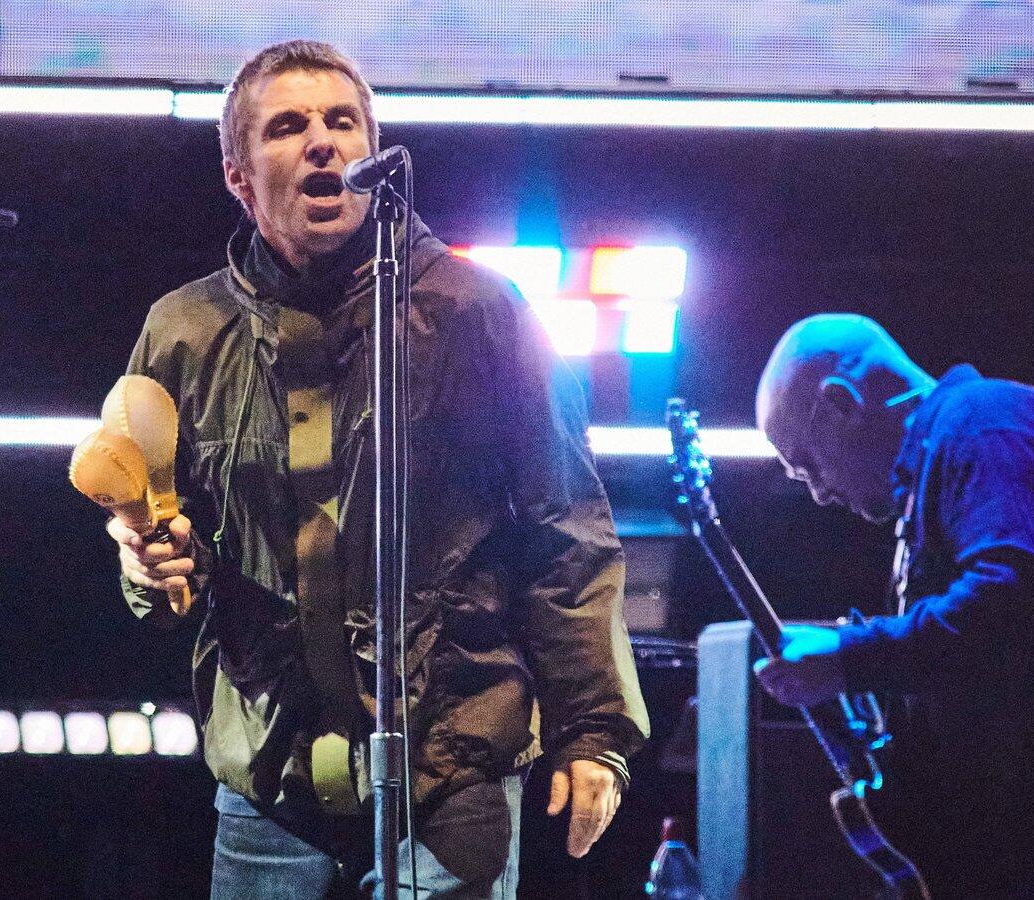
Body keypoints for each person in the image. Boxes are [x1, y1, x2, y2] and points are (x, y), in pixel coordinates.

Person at [104, 39, 648, 898]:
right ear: (239, 177)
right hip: (270, 789)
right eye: (287, 127)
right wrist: (154, 566)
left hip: (451, 774)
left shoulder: (476, 312)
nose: (322, 142)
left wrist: (594, 732)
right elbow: (164, 538)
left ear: (375, 151)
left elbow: (566, 525)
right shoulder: (184, 332)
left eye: (342, 121)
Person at [753, 313, 1034, 898]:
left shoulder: (982, 425)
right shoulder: (953, 450)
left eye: (808, 464)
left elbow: (1010, 605)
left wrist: (849, 657)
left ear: (840, 405)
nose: (819, 493)